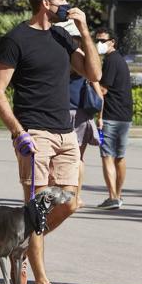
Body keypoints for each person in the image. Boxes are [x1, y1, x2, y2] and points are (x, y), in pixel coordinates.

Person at [0, 0, 101, 284]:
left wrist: (84, 33)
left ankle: (20, 245)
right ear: (46, 4)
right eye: (63, 1)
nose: (68, 6)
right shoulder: (16, 39)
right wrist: (18, 132)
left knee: (70, 203)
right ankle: (42, 283)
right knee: (36, 209)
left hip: (66, 134)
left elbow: (95, 74)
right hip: (34, 134)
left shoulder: (62, 38)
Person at [57, 19, 103, 210]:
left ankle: (68, 196)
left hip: (64, 111)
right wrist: (100, 115)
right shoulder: (84, 56)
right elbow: (98, 88)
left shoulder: (63, 56)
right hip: (82, 112)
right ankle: (76, 196)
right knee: (78, 158)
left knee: (62, 157)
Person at [96, 27, 133, 210]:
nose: (99, 44)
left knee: (107, 155)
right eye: (98, 40)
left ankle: (112, 197)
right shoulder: (120, 60)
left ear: (112, 42)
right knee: (119, 156)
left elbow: (103, 90)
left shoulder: (110, 60)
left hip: (111, 116)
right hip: (125, 116)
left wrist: (91, 83)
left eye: (103, 41)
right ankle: (118, 195)